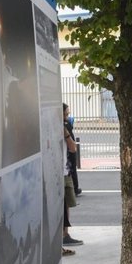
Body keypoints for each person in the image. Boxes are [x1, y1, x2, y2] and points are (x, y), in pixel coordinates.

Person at [62, 106, 83, 252]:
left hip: (66, 169)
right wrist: (66, 134)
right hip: (58, 172)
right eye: (66, 113)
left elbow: (72, 149)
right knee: (62, 206)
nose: (68, 116)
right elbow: (72, 147)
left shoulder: (65, 125)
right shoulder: (61, 127)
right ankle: (62, 235)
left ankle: (65, 234)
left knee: (68, 203)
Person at [63, 103, 82, 196]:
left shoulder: (66, 123)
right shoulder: (64, 124)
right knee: (71, 169)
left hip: (70, 150)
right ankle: (74, 188)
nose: (67, 116)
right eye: (66, 114)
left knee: (72, 168)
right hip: (68, 151)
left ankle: (75, 188)